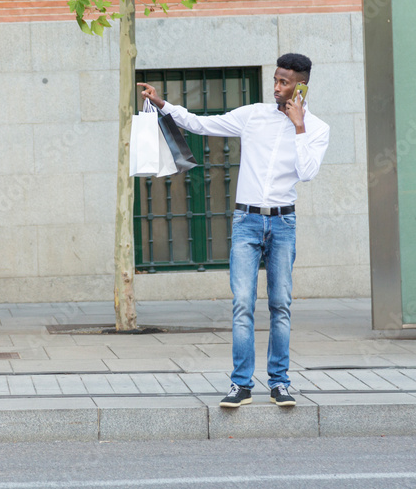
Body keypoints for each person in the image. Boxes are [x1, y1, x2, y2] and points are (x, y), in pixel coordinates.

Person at [138, 53, 329, 408]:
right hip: (247, 222)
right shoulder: (253, 115)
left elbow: (307, 172)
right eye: (275, 79)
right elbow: (201, 124)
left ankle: (280, 383)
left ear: (301, 85)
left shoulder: (317, 129)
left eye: (285, 82)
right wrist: (162, 103)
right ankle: (241, 385)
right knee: (242, 304)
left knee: (280, 305)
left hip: (284, 223)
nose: (276, 87)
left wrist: (299, 126)